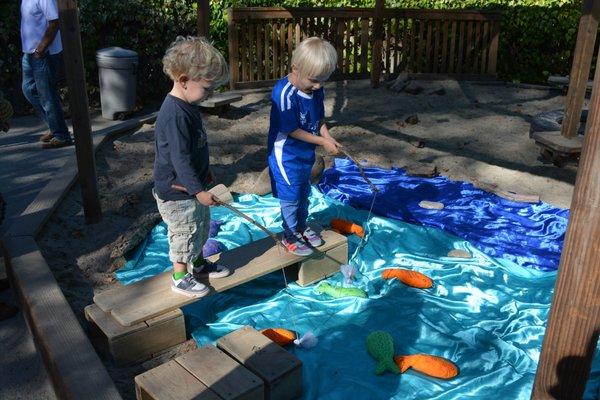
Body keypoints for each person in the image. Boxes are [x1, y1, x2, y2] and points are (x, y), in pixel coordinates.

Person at [153, 36, 230, 298]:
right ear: (184, 80)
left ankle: (197, 265)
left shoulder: (188, 104)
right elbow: (180, 159)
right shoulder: (174, 114)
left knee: (200, 225)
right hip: (177, 191)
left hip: (192, 185)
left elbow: (195, 148)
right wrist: (198, 190)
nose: (210, 95)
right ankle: (179, 276)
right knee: (184, 231)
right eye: (207, 89)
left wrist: (204, 174)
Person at [267, 37, 341, 256]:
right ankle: (289, 234)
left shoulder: (316, 90)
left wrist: (328, 136)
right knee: (290, 195)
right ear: (295, 68)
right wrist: (322, 142)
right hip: (285, 155)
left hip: (304, 153)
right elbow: (291, 130)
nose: (318, 86)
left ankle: (300, 226)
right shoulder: (284, 93)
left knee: (304, 190)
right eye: (313, 80)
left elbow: (318, 120)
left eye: (322, 81)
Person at [21, 0, 73, 148]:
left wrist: (41, 48)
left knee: (47, 95)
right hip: (30, 53)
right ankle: (55, 126)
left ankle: (61, 136)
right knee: (28, 90)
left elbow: (54, 22)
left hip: (43, 54)